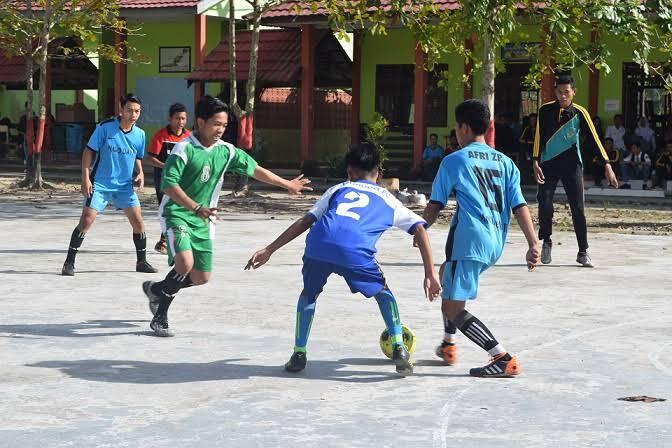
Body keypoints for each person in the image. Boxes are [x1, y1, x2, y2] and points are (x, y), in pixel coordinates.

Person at [245, 143, 440, 376]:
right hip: (355, 252)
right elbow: (420, 228)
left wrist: (270, 249)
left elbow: (306, 221)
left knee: (309, 293)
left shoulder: (339, 189)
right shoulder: (388, 198)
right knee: (383, 293)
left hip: (318, 245)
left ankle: (299, 353)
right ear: (378, 173)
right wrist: (430, 273)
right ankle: (399, 346)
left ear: (349, 172)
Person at [142, 95, 312, 337]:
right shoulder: (184, 148)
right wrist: (194, 207)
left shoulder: (226, 151)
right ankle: (160, 316)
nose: (220, 129)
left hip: (203, 218)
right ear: (200, 122)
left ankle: (158, 289)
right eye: (216, 124)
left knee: (201, 277)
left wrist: (287, 184)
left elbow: (255, 169)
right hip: (177, 213)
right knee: (185, 263)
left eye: (223, 125)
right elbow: (169, 185)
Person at [418, 99, 540, 378]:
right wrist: (533, 243)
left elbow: (435, 203)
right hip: (495, 240)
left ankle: (501, 357)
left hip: (470, 241)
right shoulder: (506, 162)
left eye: (456, 129)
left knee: (452, 306)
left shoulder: (453, 160)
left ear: (463, 127)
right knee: (447, 273)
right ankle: (449, 345)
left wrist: (421, 228)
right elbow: (519, 205)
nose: (455, 134)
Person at [61, 94, 157, 276]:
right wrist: (85, 177)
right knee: (87, 220)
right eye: (129, 110)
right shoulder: (105, 128)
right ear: (121, 109)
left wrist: (141, 173)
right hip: (100, 183)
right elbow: (88, 152)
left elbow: (137, 157)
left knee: (138, 222)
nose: (133, 114)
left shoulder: (140, 135)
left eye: (137, 111)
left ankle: (141, 262)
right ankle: (69, 262)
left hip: (124, 186)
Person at [533, 75, 618, 268]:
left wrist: (607, 164)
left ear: (573, 92)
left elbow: (596, 139)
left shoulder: (580, 113)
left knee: (578, 208)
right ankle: (546, 240)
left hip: (572, 166)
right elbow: (538, 136)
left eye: (566, 92)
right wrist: (535, 161)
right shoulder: (544, 111)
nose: (562, 95)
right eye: (559, 92)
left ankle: (583, 251)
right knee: (544, 202)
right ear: (555, 91)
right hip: (548, 164)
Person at [145, 103, 190, 254]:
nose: (181, 121)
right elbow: (150, 158)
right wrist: (167, 167)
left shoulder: (189, 137)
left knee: (181, 210)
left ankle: (168, 241)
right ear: (170, 119)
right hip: (164, 181)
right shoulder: (161, 135)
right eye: (177, 118)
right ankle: (166, 241)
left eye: (183, 118)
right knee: (168, 210)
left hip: (183, 181)